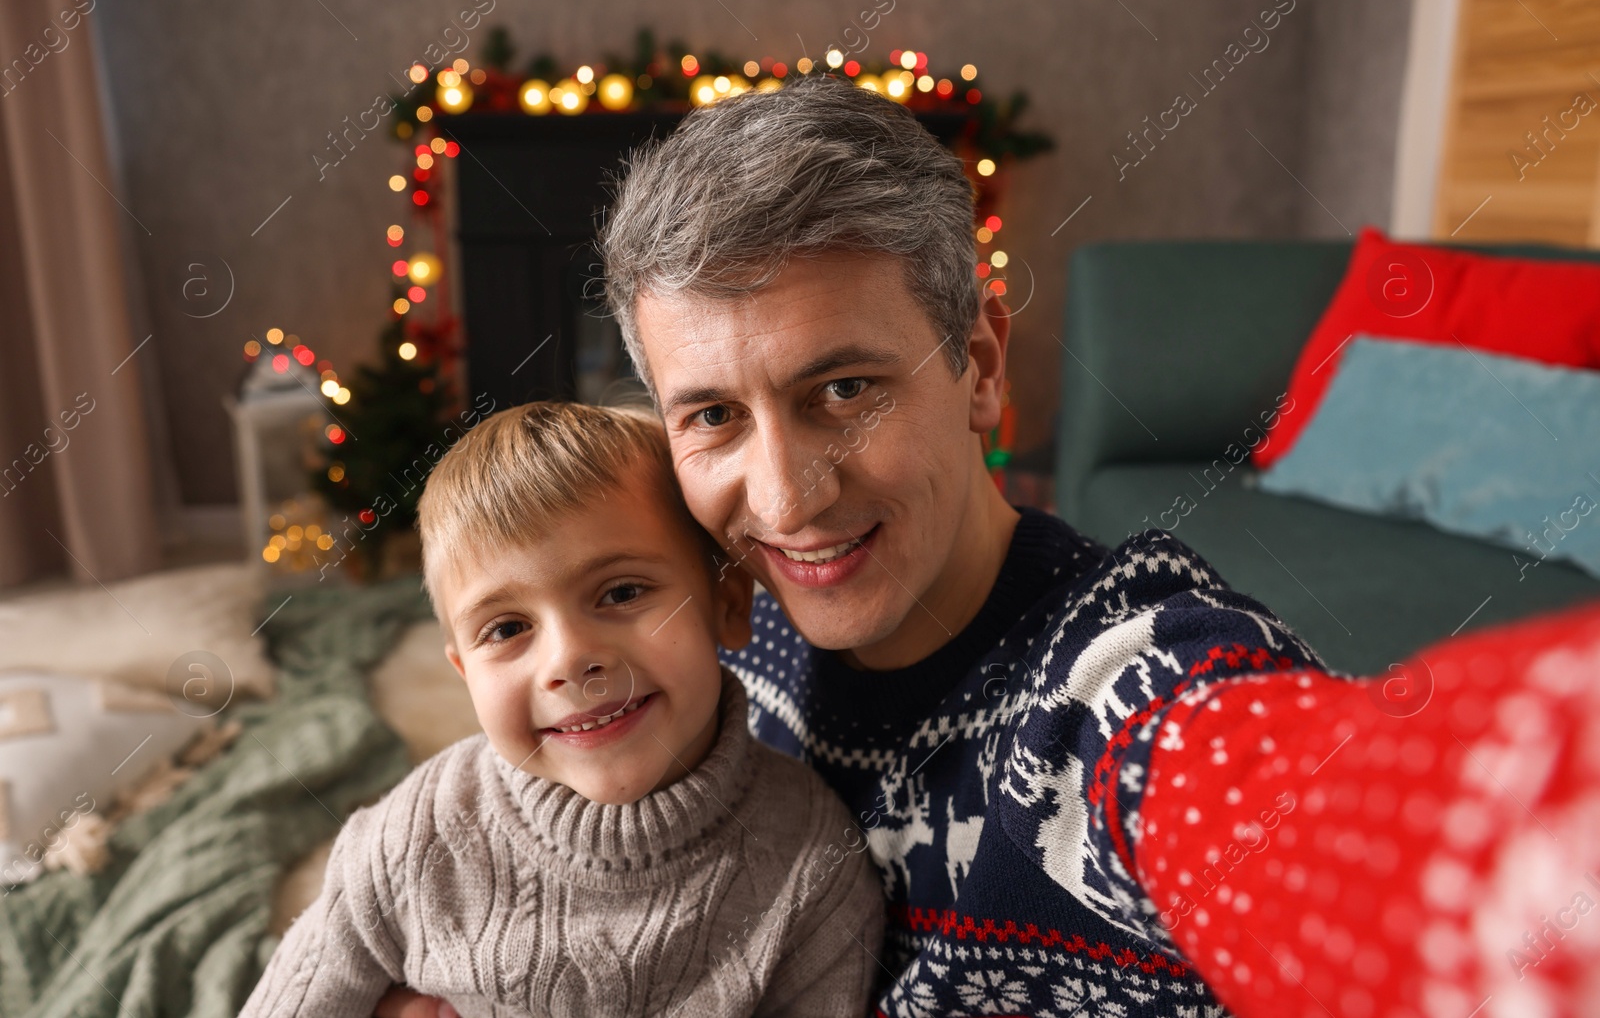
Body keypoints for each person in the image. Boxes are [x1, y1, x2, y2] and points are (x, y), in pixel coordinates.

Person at [378, 75, 1600, 1018]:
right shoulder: (714, 622)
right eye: (711, 416)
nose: (787, 494)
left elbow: (1319, 811)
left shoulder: (1127, 691)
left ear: (977, 364)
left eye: (844, 388)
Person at [244, 400, 884, 1018]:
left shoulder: (813, 864)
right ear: (465, 673)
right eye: (506, 628)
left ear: (729, 603)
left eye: (622, 591)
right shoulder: (407, 842)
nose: (569, 659)